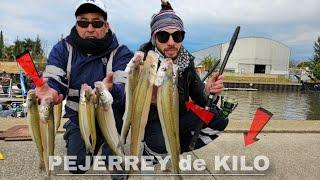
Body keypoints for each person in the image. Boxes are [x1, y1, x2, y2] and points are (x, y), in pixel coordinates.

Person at [35, 0, 133, 176]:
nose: (90, 28)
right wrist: (51, 90)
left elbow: (126, 90)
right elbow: (54, 79)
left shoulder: (121, 52)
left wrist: (111, 90)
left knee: (119, 170)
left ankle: (111, 149)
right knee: (77, 166)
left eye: (96, 23)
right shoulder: (62, 49)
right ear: (76, 24)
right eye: (83, 22)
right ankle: (74, 133)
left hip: (111, 114)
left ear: (106, 26)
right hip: (78, 116)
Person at [139, 0, 228, 157]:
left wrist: (207, 91)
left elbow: (200, 98)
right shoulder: (143, 61)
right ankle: (152, 150)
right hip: (154, 121)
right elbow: (127, 101)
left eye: (178, 35)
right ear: (154, 38)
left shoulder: (186, 61)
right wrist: (148, 98)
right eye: (163, 36)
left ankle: (173, 148)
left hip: (178, 117)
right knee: (159, 142)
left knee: (219, 118)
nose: (171, 42)